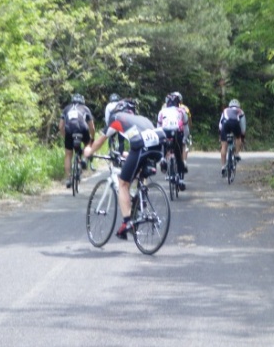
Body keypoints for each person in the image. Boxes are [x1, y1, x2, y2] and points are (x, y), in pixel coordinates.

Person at [84, 99, 166, 239]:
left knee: (123, 183)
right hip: (158, 149)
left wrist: (89, 151)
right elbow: (144, 140)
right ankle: (141, 200)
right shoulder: (143, 119)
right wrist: (129, 155)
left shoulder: (117, 118)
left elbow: (101, 140)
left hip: (141, 147)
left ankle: (127, 222)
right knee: (139, 173)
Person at [58, 93, 95, 188]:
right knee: (88, 146)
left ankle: (68, 178)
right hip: (83, 129)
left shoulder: (66, 108)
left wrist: (65, 136)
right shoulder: (85, 108)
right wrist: (92, 138)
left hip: (69, 130)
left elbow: (60, 126)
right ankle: (84, 159)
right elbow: (92, 127)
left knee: (68, 155)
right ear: (82, 101)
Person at [157, 92, 188, 190]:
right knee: (179, 157)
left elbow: (158, 127)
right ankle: (181, 181)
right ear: (178, 103)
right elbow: (186, 128)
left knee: (164, 146)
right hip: (177, 133)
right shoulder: (182, 111)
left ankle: (162, 159)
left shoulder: (162, 112)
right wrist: (185, 138)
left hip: (165, 132)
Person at [218, 98, 246, 176]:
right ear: (238, 106)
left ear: (229, 105)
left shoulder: (225, 110)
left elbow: (220, 124)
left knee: (224, 146)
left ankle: (223, 166)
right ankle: (236, 154)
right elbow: (243, 127)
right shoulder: (240, 111)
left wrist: (220, 133)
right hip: (235, 124)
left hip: (225, 124)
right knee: (238, 137)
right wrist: (242, 136)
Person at [174, 91, 192, 165]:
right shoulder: (185, 108)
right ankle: (184, 161)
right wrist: (189, 130)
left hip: (168, 128)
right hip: (182, 128)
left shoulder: (165, 106)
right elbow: (189, 121)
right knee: (184, 143)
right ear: (180, 100)